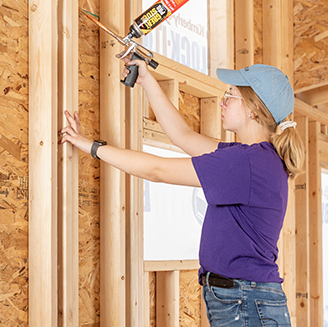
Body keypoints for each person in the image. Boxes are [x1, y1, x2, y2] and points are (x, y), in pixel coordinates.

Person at [59, 57, 304, 326]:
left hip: (245, 302)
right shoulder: (252, 158)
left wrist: (91, 146)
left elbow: (157, 170)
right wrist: (147, 81)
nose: (222, 102)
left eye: (230, 95)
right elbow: (183, 136)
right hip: (244, 300)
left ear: (254, 109)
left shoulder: (247, 163)